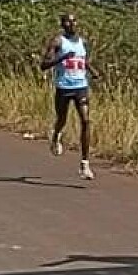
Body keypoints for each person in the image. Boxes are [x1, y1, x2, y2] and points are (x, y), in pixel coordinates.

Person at [40, 12, 99, 179]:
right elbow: (44, 65)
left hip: (81, 86)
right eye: (68, 22)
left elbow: (83, 59)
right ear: (62, 25)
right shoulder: (58, 42)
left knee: (86, 120)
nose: (72, 24)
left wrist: (92, 71)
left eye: (74, 21)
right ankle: (56, 135)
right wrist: (62, 58)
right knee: (62, 119)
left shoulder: (82, 42)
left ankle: (84, 164)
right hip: (64, 87)